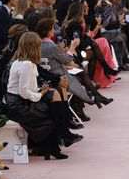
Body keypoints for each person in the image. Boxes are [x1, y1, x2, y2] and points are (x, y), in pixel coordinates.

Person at [5, 32, 80, 160]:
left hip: (20, 100)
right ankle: (61, 136)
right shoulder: (27, 65)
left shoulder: (22, 62)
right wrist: (40, 94)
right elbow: (24, 92)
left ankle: (59, 138)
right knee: (53, 106)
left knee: (54, 94)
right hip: (18, 105)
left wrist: (42, 90)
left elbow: (27, 89)